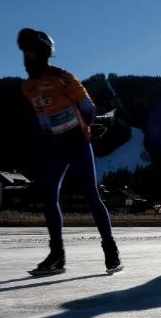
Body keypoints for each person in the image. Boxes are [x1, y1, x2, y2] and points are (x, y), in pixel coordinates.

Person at [17, 28, 121, 274]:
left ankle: (111, 251)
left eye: (30, 51)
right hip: (55, 145)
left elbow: (88, 108)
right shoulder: (28, 87)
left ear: (42, 53)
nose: (26, 57)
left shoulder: (63, 77)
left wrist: (84, 128)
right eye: (24, 52)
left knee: (91, 195)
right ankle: (57, 255)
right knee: (48, 196)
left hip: (76, 142)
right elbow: (41, 117)